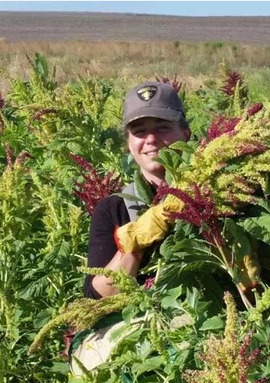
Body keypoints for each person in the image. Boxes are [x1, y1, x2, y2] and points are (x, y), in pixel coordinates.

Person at [70, 81, 191, 375]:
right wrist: (136, 240)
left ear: (185, 133)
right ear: (128, 143)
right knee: (88, 362)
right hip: (137, 324)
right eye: (139, 132)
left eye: (162, 127)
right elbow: (101, 294)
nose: (150, 139)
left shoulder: (217, 191)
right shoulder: (114, 208)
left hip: (199, 319)